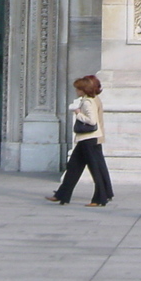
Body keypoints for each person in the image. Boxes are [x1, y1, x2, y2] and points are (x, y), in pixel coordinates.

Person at [47, 75, 113, 207]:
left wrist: (78, 113)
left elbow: (92, 121)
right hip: (87, 139)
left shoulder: (88, 102)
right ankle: (62, 195)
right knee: (73, 167)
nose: (76, 91)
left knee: (94, 169)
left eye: (78, 89)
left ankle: (99, 198)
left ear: (84, 89)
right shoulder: (91, 99)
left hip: (88, 139)